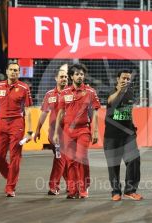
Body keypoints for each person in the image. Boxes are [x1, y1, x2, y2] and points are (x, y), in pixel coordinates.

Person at [0, 60, 33, 197]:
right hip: (1, 124)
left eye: (16, 70)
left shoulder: (24, 88)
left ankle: (10, 187)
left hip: (17, 124)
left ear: (19, 72)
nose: (13, 72)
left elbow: (28, 110)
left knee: (15, 157)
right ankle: (11, 175)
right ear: (6, 71)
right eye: (11, 70)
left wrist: (29, 131)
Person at [53, 63, 100, 199]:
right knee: (70, 160)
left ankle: (83, 187)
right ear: (72, 76)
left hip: (83, 129)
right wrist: (56, 132)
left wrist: (95, 131)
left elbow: (95, 112)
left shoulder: (90, 92)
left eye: (82, 74)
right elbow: (60, 113)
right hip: (68, 130)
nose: (80, 76)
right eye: (77, 74)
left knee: (81, 157)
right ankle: (73, 190)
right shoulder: (65, 92)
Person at [103, 70, 142, 201]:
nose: (126, 80)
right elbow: (110, 101)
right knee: (113, 165)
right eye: (124, 78)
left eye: (128, 78)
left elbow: (128, 113)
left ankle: (130, 190)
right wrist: (119, 91)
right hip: (111, 135)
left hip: (128, 135)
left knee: (134, 160)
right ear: (117, 79)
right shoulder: (111, 91)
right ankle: (115, 191)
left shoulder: (131, 93)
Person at [34, 64, 68, 195]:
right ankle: (55, 186)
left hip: (69, 133)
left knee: (62, 158)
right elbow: (43, 114)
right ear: (56, 78)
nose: (64, 79)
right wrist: (37, 130)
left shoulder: (72, 93)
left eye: (66, 77)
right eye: (61, 77)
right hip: (54, 134)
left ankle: (67, 184)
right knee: (60, 157)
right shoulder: (49, 95)